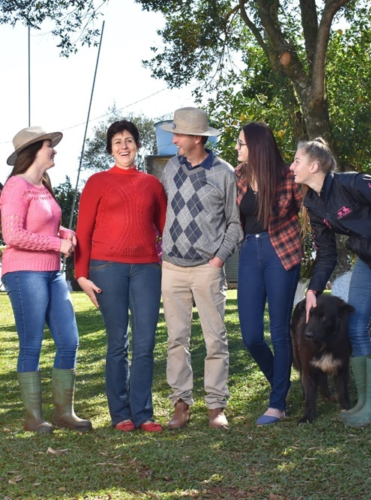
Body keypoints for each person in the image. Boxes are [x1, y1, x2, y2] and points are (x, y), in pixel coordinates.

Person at [290, 138, 371, 428]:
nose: (291, 166)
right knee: (356, 326)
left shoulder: (353, 183)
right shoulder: (313, 203)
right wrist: (313, 290)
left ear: (314, 165)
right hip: (366, 260)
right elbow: (327, 253)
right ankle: (364, 400)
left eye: (296, 161)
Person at [74, 120, 167, 432]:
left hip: (147, 269)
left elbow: (165, 230)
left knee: (145, 343)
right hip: (106, 268)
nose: (124, 146)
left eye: (129, 140)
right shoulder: (97, 182)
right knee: (118, 343)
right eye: (117, 142)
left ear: (137, 146)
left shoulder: (152, 185)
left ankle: (143, 413)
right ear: (110, 149)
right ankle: (121, 415)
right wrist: (81, 275)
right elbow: (83, 232)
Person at [1, 126, 92, 433]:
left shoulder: (43, 185)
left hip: (52, 273)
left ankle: (64, 413)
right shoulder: (15, 186)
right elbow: (12, 234)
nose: (53, 148)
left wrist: (64, 234)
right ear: (34, 150)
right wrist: (56, 244)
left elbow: (45, 227)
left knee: (70, 340)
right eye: (48, 145)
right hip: (24, 272)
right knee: (32, 344)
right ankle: (33, 418)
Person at [159, 107, 242, 430]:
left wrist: (219, 258)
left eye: (178, 134)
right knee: (175, 339)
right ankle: (181, 405)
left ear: (197, 138)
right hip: (172, 268)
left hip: (208, 268)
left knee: (215, 339)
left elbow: (234, 224)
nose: (174, 139)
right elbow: (164, 212)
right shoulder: (170, 169)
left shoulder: (223, 172)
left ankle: (215, 407)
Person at [234, 122, 303, 426]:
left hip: (281, 253)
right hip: (250, 252)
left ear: (257, 147)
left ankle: (277, 404)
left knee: (279, 331)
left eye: (241, 144)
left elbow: (309, 209)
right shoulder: (239, 176)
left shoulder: (289, 176)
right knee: (250, 336)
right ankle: (282, 384)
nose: (237, 150)